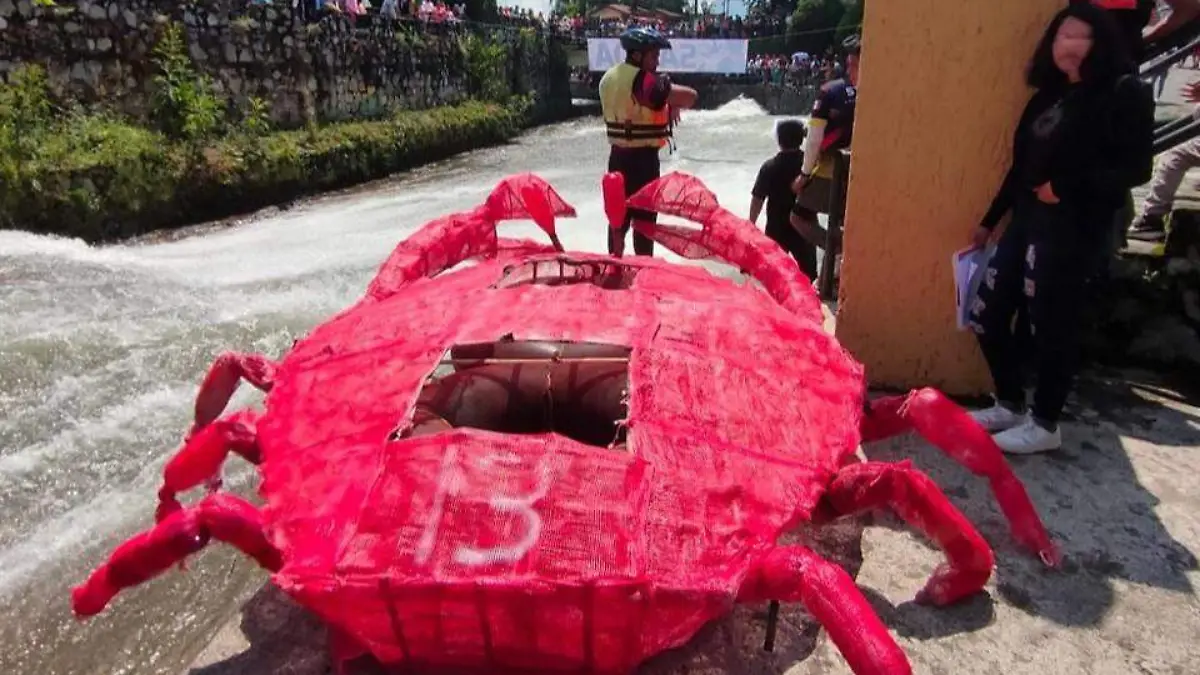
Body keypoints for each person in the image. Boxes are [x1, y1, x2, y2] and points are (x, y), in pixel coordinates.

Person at [966, 3, 1155, 454]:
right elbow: (1020, 169)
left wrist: (1067, 187)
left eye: (1079, 36)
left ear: (1101, 42)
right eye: (1059, 36)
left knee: (1052, 325)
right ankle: (1009, 402)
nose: (1066, 45)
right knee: (987, 310)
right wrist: (989, 221)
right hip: (1027, 221)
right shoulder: (1044, 99)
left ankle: (1046, 421)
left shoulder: (1123, 92)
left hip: (1074, 227)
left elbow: (1136, 168)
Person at [599, 26, 698, 257]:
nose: (658, 61)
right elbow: (691, 97)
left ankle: (614, 268)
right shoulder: (643, 81)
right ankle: (643, 271)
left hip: (616, 159)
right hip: (643, 163)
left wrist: (666, 103)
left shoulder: (608, 78)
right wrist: (669, 97)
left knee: (617, 221)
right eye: (654, 55)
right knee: (644, 225)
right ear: (637, 55)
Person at [789, 41, 859, 264]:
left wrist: (805, 174)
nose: (850, 71)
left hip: (832, 169)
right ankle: (839, 258)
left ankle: (840, 249)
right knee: (843, 220)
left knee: (798, 217)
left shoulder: (830, 92)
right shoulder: (880, 92)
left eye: (853, 65)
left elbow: (814, 138)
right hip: (862, 169)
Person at [749, 119, 814, 275]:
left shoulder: (769, 166)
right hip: (804, 227)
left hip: (776, 228)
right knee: (809, 275)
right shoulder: (810, 166)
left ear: (779, 140)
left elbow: (758, 198)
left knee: (773, 274)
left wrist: (751, 223)